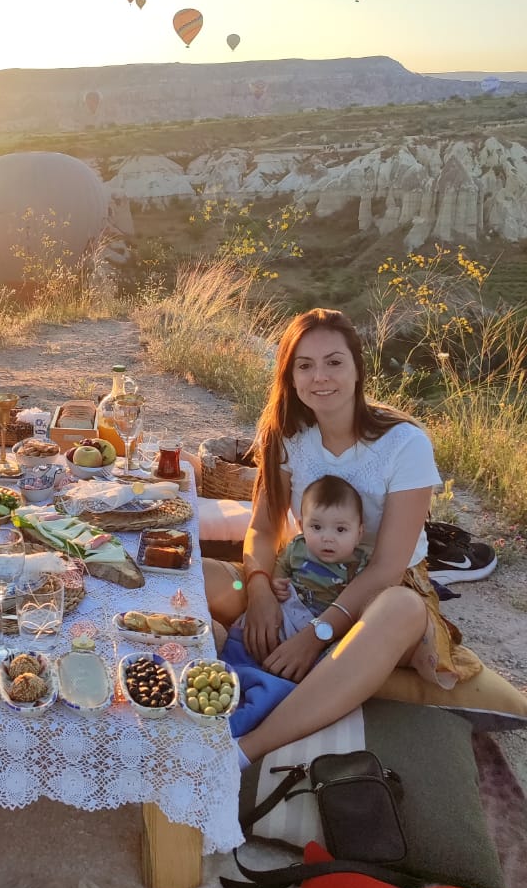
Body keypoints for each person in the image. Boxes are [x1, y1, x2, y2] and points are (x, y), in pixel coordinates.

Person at [203, 307, 480, 767]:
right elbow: (263, 528)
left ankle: (247, 750)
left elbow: (389, 565)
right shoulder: (288, 434)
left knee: (400, 609)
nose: (320, 377)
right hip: (300, 579)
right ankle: (190, 658)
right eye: (304, 365)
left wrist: (317, 634)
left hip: (378, 596)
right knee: (207, 577)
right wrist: (256, 588)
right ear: (290, 376)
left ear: (357, 369)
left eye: (334, 362)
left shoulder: (404, 443)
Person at [270, 474, 369, 639]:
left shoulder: (358, 563)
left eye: (340, 530)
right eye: (317, 527)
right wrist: (277, 580)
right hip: (292, 608)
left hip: (332, 619)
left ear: (359, 534)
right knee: (264, 625)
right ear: (301, 526)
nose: (327, 538)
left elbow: (362, 598)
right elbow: (281, 564)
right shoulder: (298, 547)